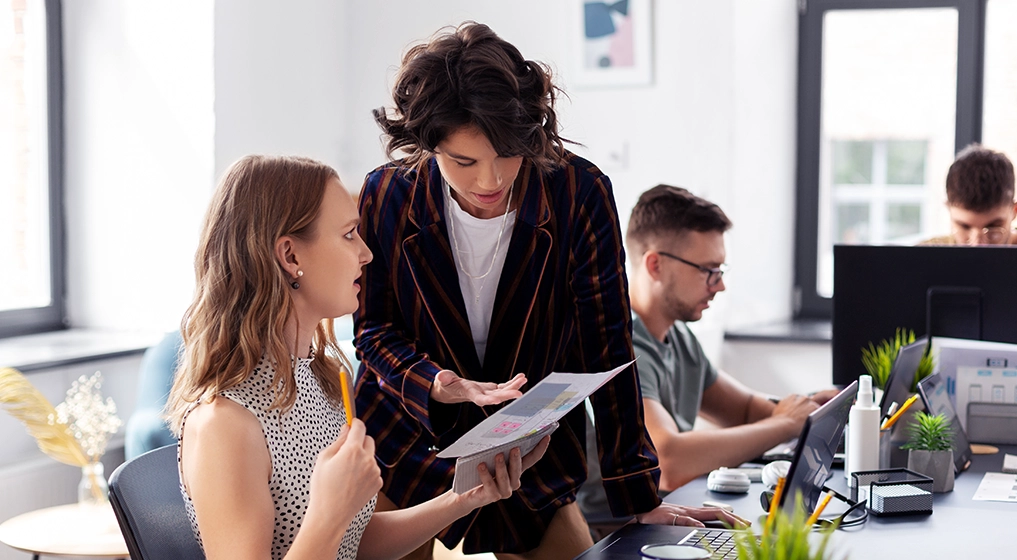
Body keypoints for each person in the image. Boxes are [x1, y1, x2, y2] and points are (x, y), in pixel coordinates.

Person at [354, 22, 745, 560]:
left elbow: (607, 348)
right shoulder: (386, 194)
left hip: (529, 451)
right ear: (427, 143)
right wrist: (439, 384)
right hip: (407, 437)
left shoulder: (578, 192)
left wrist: (638, 494)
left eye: (507, 154)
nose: (490, 180)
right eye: (464, 161)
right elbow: (373, 330)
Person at [165, 155, 548, 560]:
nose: (366, 254)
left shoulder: (317, 379)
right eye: (349, 235)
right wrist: (331, 511)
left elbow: (352, 543)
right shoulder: (224, 423)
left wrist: (466, 497)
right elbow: (330, 529)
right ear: (291, 257)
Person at [578, 185, 836, 534]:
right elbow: (669, 460)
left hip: (667, 511)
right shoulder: (620, 344)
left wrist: (812, 409)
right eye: (708, 270)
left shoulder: (678, 337)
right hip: (615, 529)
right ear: (655, 265)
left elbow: (744, 410)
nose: (719, 285)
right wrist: (786, 424)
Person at [921, 143, 1017, 245]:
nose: (977, 243)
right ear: (949, 210)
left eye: (993, 227)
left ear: (1014, 211)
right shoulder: (919, 257)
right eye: (964, 226)